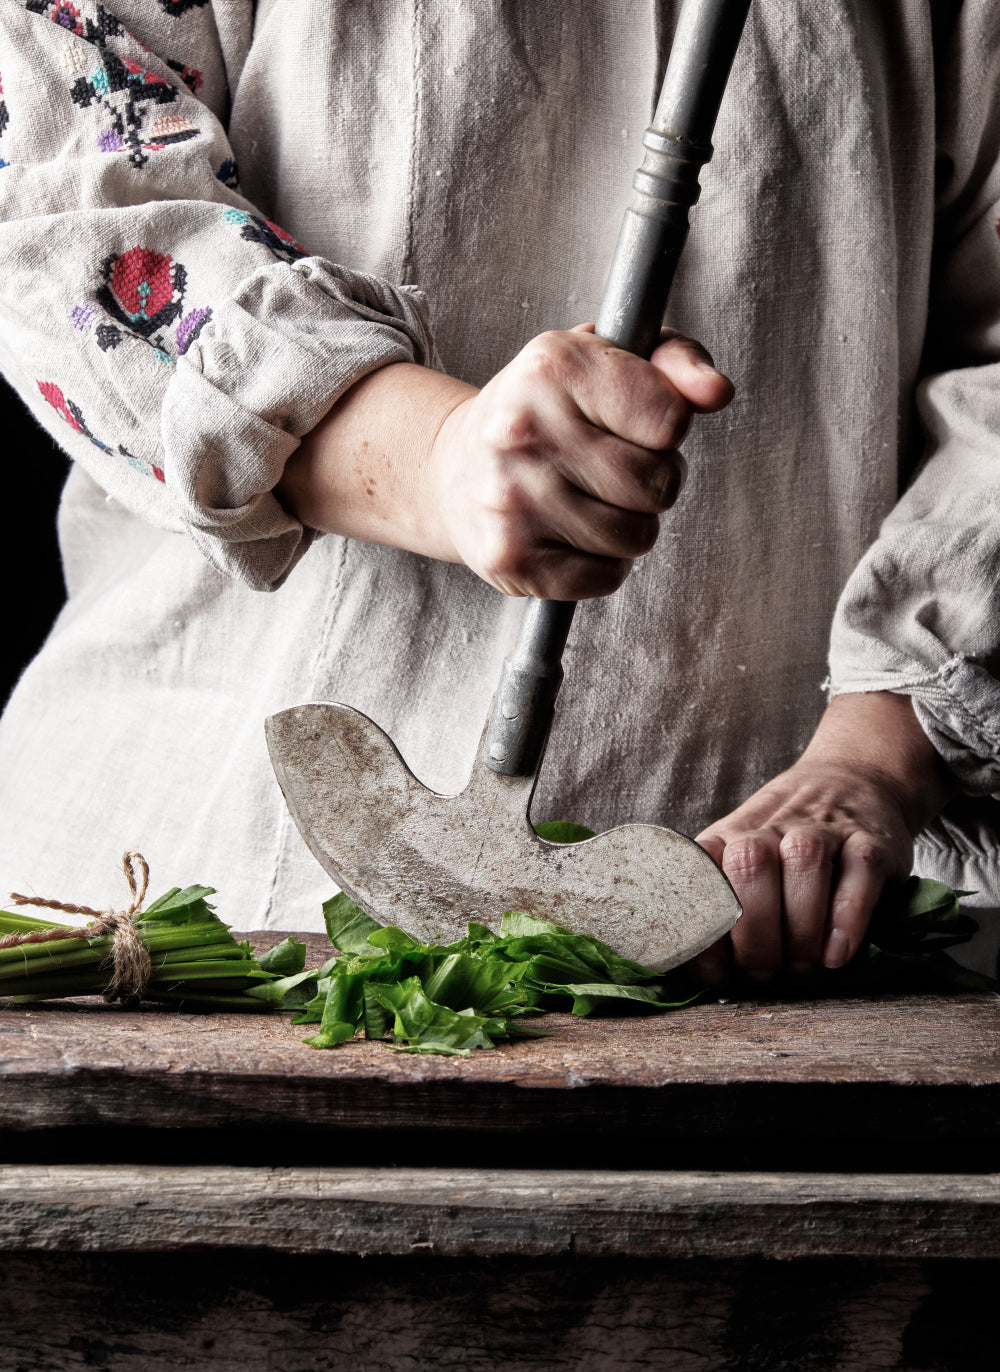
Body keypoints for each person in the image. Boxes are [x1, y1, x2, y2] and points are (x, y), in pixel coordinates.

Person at [0, 0, 997, 981]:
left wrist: (876, 753)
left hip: (783, 936)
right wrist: (428, 457)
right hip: (189, 893)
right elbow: (65, 210)